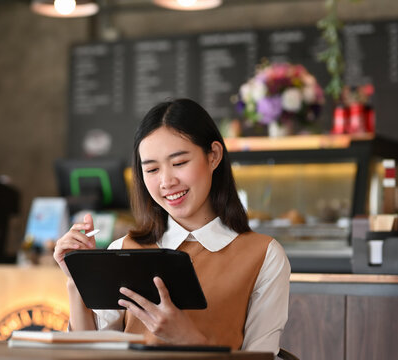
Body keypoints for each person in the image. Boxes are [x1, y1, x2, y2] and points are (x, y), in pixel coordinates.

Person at [53, 98, 290, 353]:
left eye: (179, 163)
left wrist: (187, 338)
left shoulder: (263, 256)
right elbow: (89, 356)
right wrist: (78, 281)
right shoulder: (123, 249)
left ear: (214, 156)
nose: (166, 181)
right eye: (152, 169)